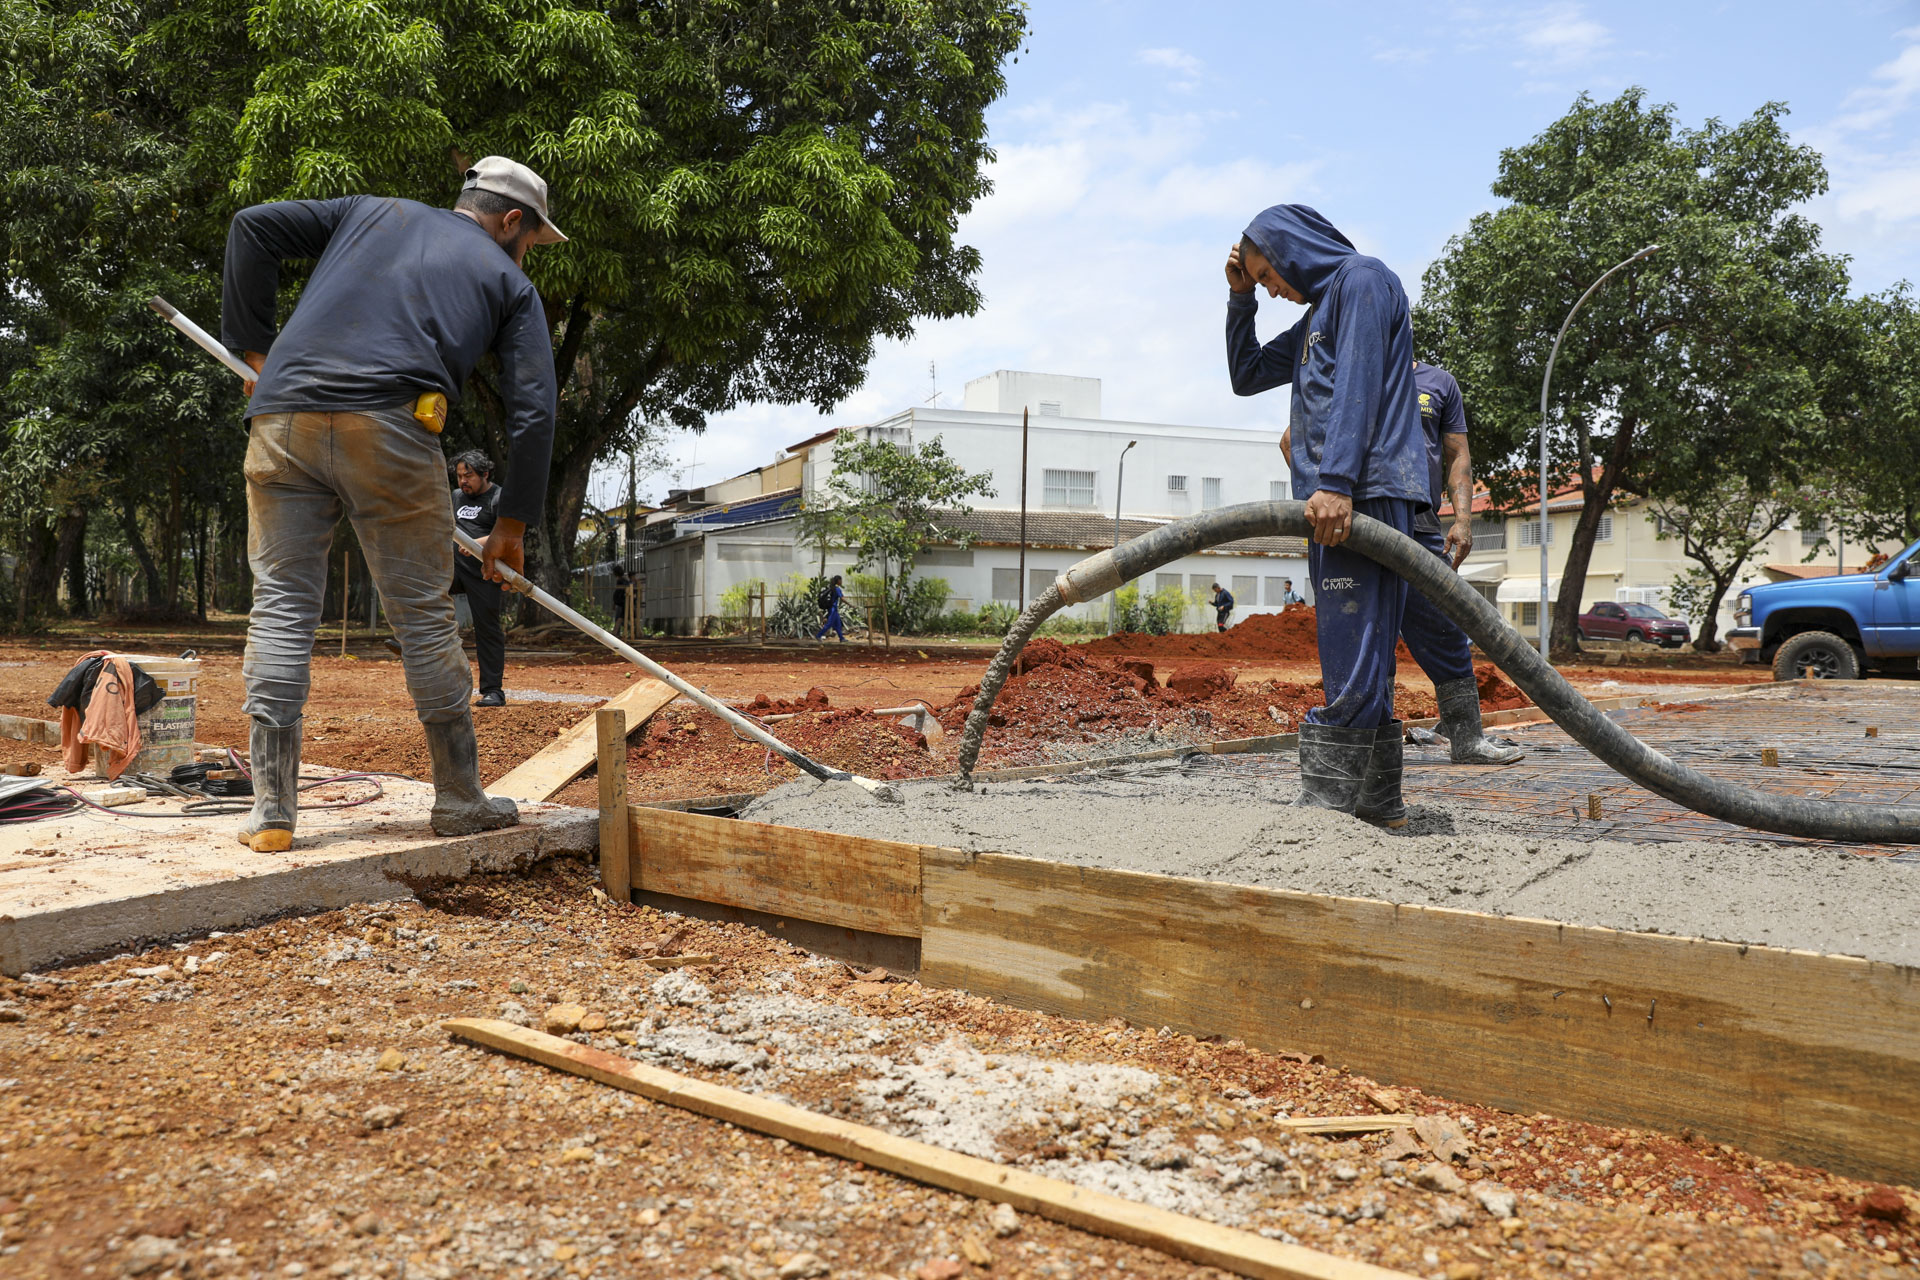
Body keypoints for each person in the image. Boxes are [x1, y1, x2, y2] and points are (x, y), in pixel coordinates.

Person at [220, 156, 562, 851]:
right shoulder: (510, 282)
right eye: (531, 241)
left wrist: (256, 354)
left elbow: (251, 227)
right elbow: (534, 412)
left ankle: (272, 812)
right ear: (511, 221)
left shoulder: (369, 210)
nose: (527, 254)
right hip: (390, 426)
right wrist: (512, 524)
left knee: (282, 604)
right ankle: (460, 799)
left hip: (282, 419)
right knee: (423, 617)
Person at [1226, 204, 1428, 827]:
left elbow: (1357, 384)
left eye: (1268, 275)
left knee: (1355, 652)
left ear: (1292, 250)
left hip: (1359, 494)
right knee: (1360, 653)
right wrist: (1240, 301)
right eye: (1261, 282)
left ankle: (1327, 806)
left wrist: (1336, 482)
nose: (1271, 288)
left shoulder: (1360, 281)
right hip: (1333, 503)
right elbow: (1246, 375)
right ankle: (1377, 802)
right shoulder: (1317, 318)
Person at [1400, 359, 1524, 765]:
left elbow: (1458, 455)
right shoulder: (1351, 369)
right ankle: (1370, 751)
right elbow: (1293, 441)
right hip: (1367, 525)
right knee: (1371, 641)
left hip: (1421, 526)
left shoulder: (1438, 383)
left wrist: (1464, 519)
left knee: (1446, 630)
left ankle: (1467, 740)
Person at [451, 450, 509, 707]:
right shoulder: (456, 497)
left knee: (487, 629)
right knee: (422, 590)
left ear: (485, 474)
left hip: (484, 573)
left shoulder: (498, 497)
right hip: (453, 568)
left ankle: (493, 691)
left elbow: (507, 535)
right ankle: (409, 639)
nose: (463, 481)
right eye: (459, 476)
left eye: (469, 476)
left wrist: (478, 543)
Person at [816, 574, 846, 642]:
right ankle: (818, 635)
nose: (841, 582)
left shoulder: (832, 588)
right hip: (833, 609)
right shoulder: (837, 589)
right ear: (838, 581)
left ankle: (841, 638)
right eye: (841, 580)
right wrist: (851, 605)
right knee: (829, 624)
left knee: (838, 624)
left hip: (832, 609)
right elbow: (842, 598)